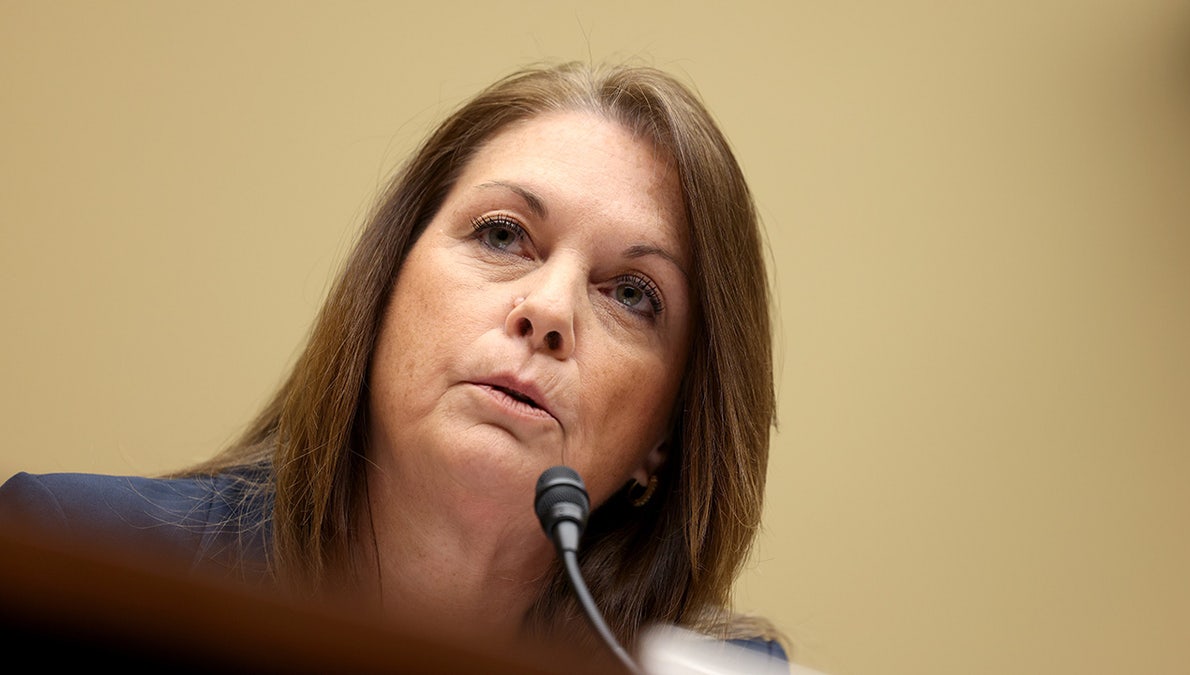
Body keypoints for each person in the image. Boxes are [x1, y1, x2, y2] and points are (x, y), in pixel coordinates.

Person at [0, 61, 785, 670]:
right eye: (504, 235)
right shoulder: (71, 563)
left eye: (632, 293)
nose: (547, 310)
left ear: (665, 436)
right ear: (384, 289)